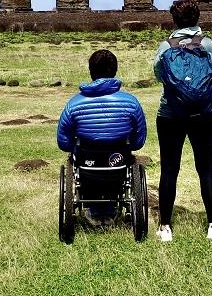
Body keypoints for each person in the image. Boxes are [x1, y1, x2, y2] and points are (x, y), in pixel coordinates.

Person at [153, 0, 212, 242]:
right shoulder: (208, 45)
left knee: (169, 169)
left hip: (170, 113)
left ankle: (165, 226)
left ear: (174, 20)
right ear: (197, 18)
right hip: (204, 113)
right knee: (206, 168)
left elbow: (159, 76)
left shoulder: (165, 46)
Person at [57, 49, 147, 225]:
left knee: (76, 161)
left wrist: (74, 148)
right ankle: (109, 209)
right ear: (114, 71)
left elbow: (63, 141)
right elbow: (138, 141)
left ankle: (95, 209)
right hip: (119, 163)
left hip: (86, 164)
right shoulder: (131, 102)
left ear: (91, 72)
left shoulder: (74, 104)